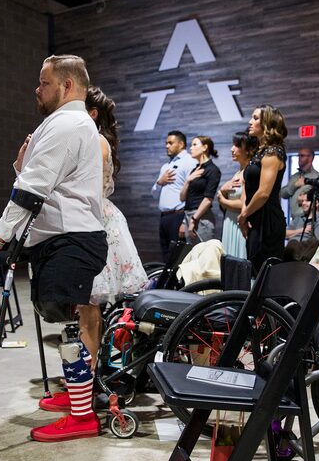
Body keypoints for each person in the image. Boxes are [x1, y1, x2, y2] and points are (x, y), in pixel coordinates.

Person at [0, 55, 107, 443]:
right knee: (60, 318)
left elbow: (32, 189)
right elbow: (45, 181)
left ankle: (82, 414)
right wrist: (22, 167)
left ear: (67, 85)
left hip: (72, 239)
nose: (38, 89)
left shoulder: (67, 122)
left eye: (44, 82)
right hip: (62, 238)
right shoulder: (67, 122)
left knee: (65, 320)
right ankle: (76, 396)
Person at [53, 85, 144, 391]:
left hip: (93, 223)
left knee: (88, 311)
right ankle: (88, 375)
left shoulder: (95, 142)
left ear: (91, 114)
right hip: (96, 219)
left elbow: (83, 190)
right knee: (88, 310)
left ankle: (84, 384)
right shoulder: (96, 140)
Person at [238, 104, 288, 272]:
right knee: (254, 269)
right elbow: (249, 187)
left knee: (266, 274)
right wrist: (245, 214)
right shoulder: (260, 152)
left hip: (268, 221)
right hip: (255, 217)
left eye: (256, 118)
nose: (250, 122)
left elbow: (263, 193)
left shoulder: (273, 152)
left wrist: (244, 215)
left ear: (267, 123)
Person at [151, 129, 195, 259]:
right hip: (164, 217)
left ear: (181, 144)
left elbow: (192, 194)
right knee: (166, 257)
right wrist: (160, 182)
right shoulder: (166, 166)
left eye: (170, 143)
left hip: (179, 216)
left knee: (179, 258)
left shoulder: (189, 162)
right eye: (166, 143)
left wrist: (184, 221)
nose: (167, 146)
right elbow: (154, 194)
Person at [218, 132, 258, 260]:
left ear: (247, 150)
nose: (232, 149)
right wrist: (223, 191)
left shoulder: (249, 172)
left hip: (239, 223)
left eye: (237, 145)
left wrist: (221, 198)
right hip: (230, 221)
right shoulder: (238, 173)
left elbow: (243, 204)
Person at [179, 136, 221, 243]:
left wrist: (194, 219)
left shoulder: (212, 170)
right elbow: (182, 197)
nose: (190, 148)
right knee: (192, 255)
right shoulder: (195, 169)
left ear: (204, 147)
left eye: (194, 145)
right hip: (189, 215)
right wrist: (188, 180)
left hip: (201, 217)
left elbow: (208, 199)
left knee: (203, 254)